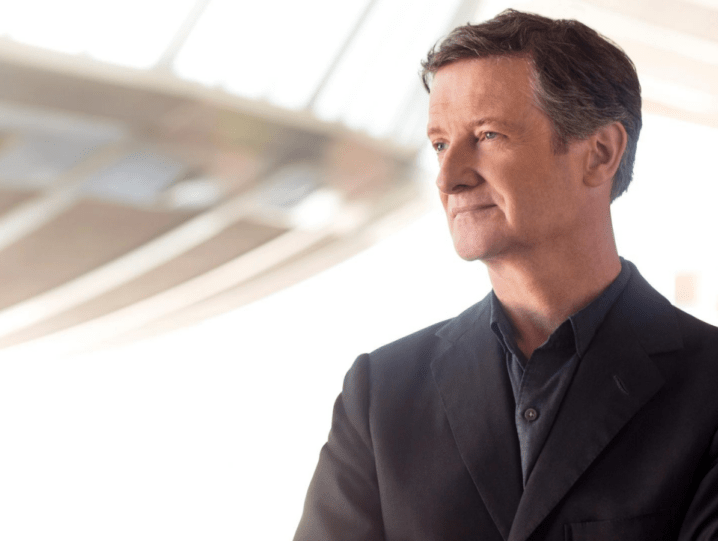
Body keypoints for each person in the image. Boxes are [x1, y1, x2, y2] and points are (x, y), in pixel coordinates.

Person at [294, 9, 718, 541]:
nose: (449, 178)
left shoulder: (709, 389)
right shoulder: (380, 395)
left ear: (601, 153)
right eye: (441, 145)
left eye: (488, 135)